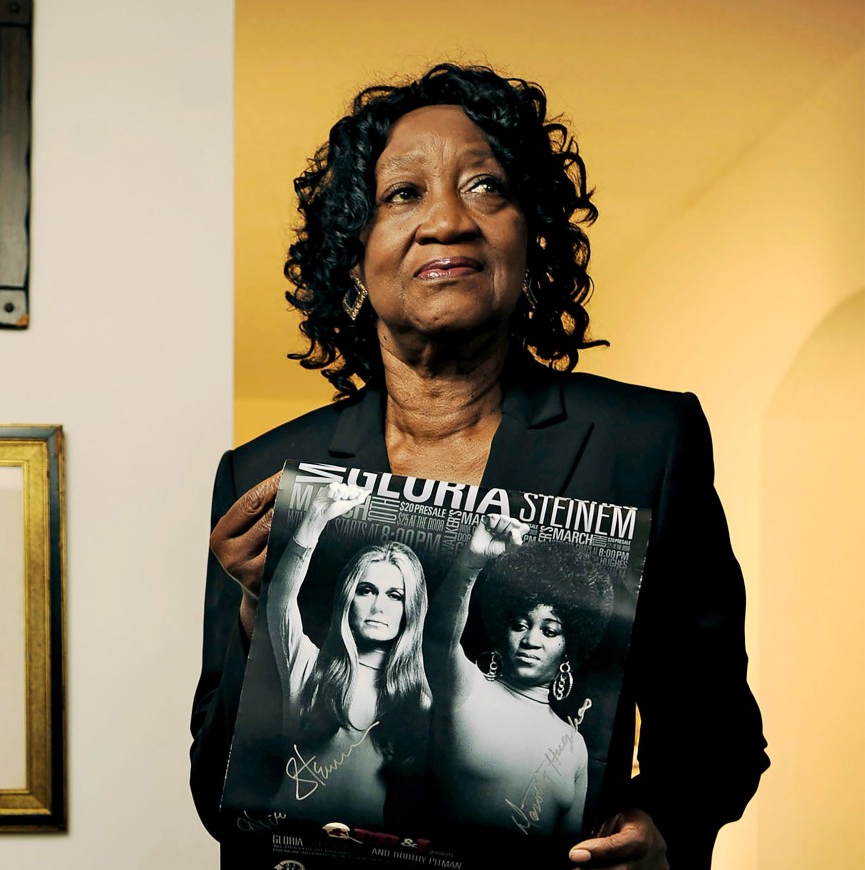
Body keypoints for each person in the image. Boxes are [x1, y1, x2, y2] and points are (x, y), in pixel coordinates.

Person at [191, 62, 768, 869]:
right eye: (403, 195)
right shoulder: (264, 471)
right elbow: (217, 794)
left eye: (488, 187)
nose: (448, 222)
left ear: (530, 243)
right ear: (353, 257)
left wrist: (663, 824)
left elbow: (720, 733)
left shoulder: (645, 442)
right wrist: (260, 616)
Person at [425, 515, 615, 840]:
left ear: (570, 645)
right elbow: (439, 639)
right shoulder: (467, 690)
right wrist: (470, 565)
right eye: (521, 624)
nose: (531, 640)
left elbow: (569, 854)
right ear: (503, 632)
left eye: (550, 630)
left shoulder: (574, 748)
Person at [267, 482, 430, 828]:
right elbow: (281, 599)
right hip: (285, 839)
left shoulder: (419, 697)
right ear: (347, 599)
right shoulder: (309, 667)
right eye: (366, 590)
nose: (377, 606)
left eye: (395, 596)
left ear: (411, 608)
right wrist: (314, 519)